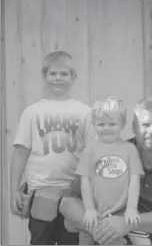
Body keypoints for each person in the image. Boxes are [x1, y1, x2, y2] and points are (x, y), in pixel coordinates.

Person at [59, 97, 152, 245]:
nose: (151, 131)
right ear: (134, 127)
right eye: (145, 125)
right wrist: (102, 231)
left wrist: (127, 223)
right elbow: (67, 202)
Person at [9, 51, 93, 245]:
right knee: (40, 241)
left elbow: (92, 154)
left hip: (73, 194)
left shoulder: (85, 112)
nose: (58, 78)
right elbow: (21, 153)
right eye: (53, 73)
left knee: (71, 241)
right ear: (44, 76)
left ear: (73, 77)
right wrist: (14, 190)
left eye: (64, 73)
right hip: (40, 192)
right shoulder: (32, 112)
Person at [75, 96, 144, 245]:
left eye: (112, 124)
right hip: (94, 213)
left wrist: (131, 208)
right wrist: (89, 209)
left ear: (122, 124)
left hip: (121, 212)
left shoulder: (129, 149)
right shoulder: (90, 150)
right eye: (101, 124)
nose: (106, 128)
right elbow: (85, 181)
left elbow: (134, 181)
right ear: (94, 124)